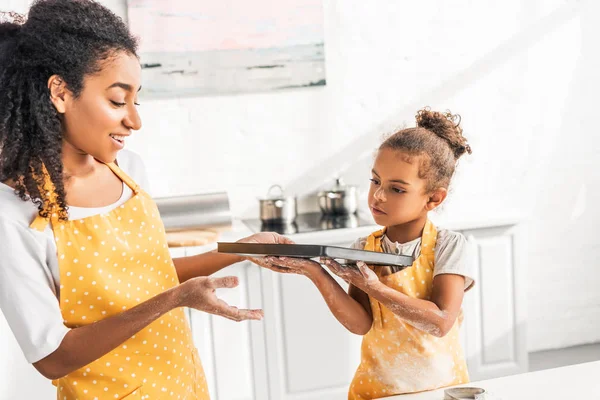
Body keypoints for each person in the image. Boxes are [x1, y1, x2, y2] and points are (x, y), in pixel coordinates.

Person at [0, 1, 289, 398]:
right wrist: (174, 300)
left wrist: (242, 250)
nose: (135, 120)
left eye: (137, 101)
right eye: (118, 101)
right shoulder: (13, 212)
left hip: (183, 384)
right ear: (60, 92)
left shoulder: (129, 170)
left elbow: (146, 273)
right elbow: (52, 355)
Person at [256, 108, 476, 399]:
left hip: (440, 391)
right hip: (377, 393)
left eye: (397, 189)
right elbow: (360, 324)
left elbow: (440, 322)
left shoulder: (448, 246)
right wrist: (315, 272)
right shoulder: (364, 249)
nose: (378, 196)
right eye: (375, 181)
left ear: (433, 198)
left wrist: (374, 287)